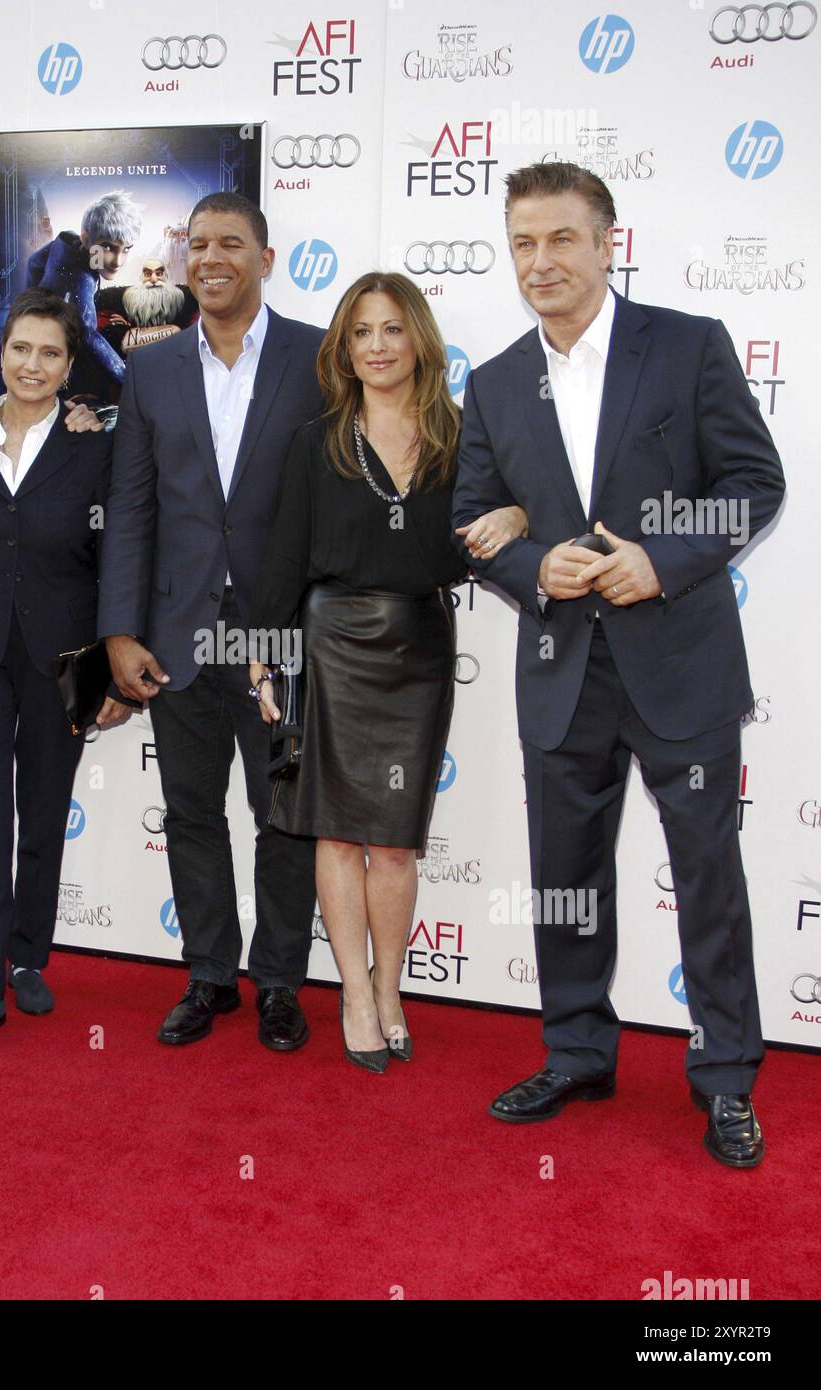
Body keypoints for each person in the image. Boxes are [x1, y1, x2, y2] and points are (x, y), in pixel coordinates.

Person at [451, 162, 785, 1165]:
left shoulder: (686, 347)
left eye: (561, 239)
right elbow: (469, 516)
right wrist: (530, 564)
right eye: (523, 243)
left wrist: (663, 557)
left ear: (607, 243)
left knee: (707, 877)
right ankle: (578, 1050)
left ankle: (725, 1077)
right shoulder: (499, 378)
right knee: (565, 878)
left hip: (678, 660)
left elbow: (754, 480)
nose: (540, 261)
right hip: (562, 670)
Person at [248, 273, 527, 1072]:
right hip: (330, 641)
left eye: (393, 330)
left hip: (418, 646)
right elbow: (283, 556)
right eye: (362, 331)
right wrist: (262, 654)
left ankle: (392, 985)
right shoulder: (318, 440)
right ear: (345, 347)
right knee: (336, 833)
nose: (377, 346)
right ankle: (353, 992)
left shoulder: (459, 436)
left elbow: (518, 507)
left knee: (396, 845)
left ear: (419, 342)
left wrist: (517, 514)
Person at [95, 191, 323, 1051]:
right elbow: (131, 509)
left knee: (284, 817)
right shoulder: (151, 370)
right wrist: (120, 630)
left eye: (233, 243)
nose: (213, 258)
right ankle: (208, 975)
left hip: (277, 633)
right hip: (178, 631)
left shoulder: (316, 356)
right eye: (199, 245)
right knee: (191, 811)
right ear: (184, 260)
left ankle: (278, 983)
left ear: (266, 258)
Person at [0, 289, 124, 1054]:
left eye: (49, 352)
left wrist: (111, 668)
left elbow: (115, 562)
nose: (31, 364)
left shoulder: (92, 447)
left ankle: (27, 956)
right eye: (20, 349)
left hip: (62, 658)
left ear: (69, 365)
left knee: (44, 810)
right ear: (0, 354)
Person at [26, 190, 141, 402]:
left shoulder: (66, 241)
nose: (118, 261)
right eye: (108, 248)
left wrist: (30, 299)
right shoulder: (80, 278)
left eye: (126, 250)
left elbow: (33, 262)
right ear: (86, 239)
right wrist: (128, 379)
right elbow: (87, 333)